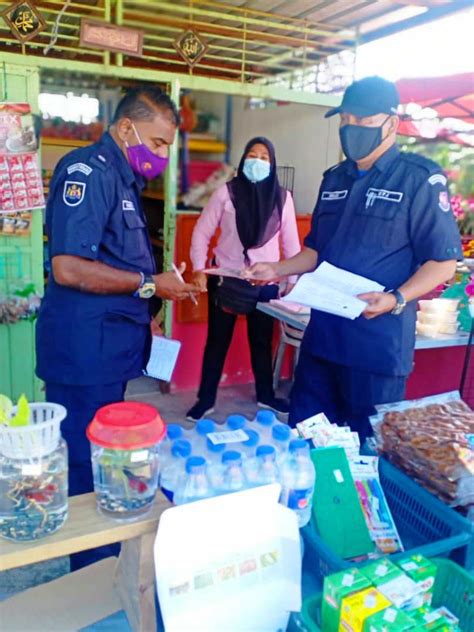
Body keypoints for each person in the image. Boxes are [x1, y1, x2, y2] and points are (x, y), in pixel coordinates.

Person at [246, 76, 462, 442]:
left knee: (366, 454)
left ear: (391, 124)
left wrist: (396, 298)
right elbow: (317, 251)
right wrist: (276, 268)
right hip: (322, 343)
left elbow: (443, 261)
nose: (351, 129)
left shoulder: (418, 180)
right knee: (307, 441)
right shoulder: (334, 179)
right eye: (345, 121)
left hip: (375, 351)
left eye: (362, 121)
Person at [36, 86, 199, 568]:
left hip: (107, 353)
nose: (163, 155)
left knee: (105, 460)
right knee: (88, 468)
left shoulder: (124, 181)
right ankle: (91, 576)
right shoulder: (87, 172)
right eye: (158, 142)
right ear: (127, 128)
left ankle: (105, 562)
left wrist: (158, 286)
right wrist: (151, 284)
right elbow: (68, 267)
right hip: (83, 353)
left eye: (169, 146)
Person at [187, 137, 301, 421]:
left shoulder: (283, 198)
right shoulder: (226, 194)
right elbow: (201, 232)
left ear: (272, 164)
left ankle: (266, 396)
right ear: (242, 160)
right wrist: (200, 268)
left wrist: (291, 280)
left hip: (265, 283)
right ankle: (206, 400)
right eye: (253, 155)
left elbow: (292, 245)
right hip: (227, 278)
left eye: (264, 157)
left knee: (262, 342)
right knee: (217, 342)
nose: (258, 162)